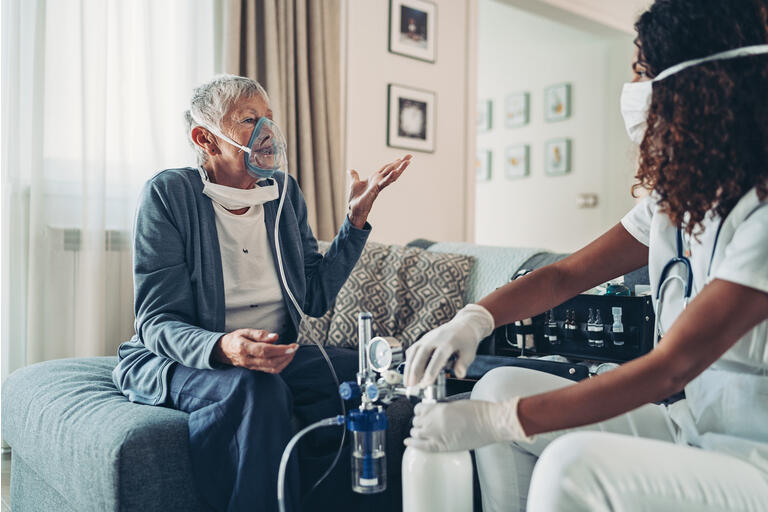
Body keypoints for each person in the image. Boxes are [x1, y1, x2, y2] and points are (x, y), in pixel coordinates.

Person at [403, 0, 768, 510]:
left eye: (643, 71)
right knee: (496, 386)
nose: (634, 91)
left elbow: (673, 367)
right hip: (693, 430)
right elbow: (563, 275)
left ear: (698, 87)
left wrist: (501, 424)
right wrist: (474, 319)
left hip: (755, 462)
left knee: (571, 468)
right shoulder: (676, 202)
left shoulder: (762, 216)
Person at [111, 74, 412, 511]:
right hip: (181, 359)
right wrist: (224, 345)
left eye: (269, 118)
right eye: (249, 119)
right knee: (259, 390)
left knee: (361, 376)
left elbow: (313, 297)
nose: (267, 133)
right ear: (206, 139)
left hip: (272, 355)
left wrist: (355, 222)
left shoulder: (284, 194)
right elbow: (157, 322)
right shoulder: (169, 195)